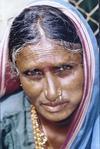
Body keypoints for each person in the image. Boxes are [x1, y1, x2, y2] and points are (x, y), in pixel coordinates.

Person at [0, 0, 99, 149]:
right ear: (16, 73)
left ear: (88, 65)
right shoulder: (6, 123)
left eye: (64, 68)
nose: (52, 93)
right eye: (33, 73)